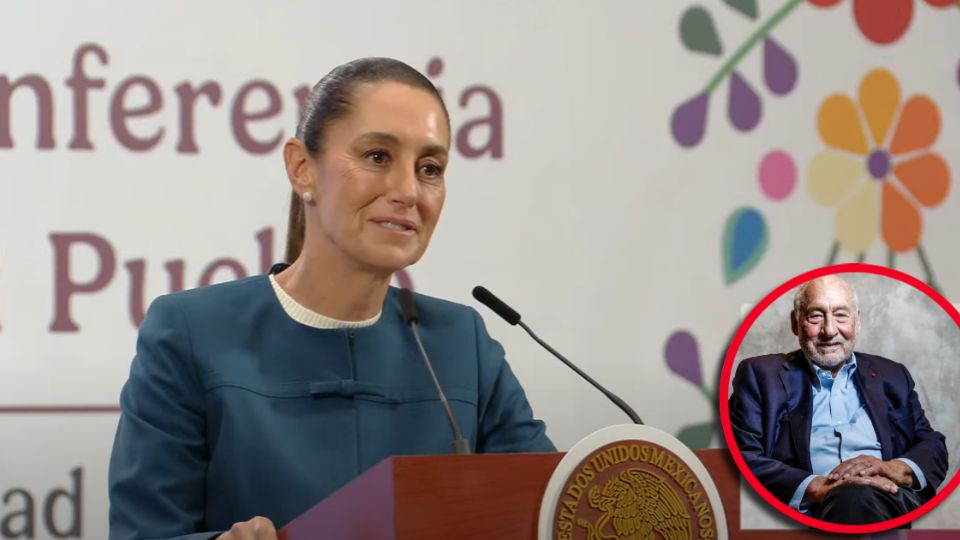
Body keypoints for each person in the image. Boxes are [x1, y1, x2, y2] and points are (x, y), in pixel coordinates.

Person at [108, 57, 554, 540]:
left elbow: (553, 512)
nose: (408, 191)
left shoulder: (462, 344)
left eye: (430, 168)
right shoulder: (190, 333)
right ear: (302, 168)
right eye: (378, 156)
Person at [729, 275, 948, 525]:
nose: (830, 330)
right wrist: (817, 487)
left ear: (857, 321)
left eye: (841, 315)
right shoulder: (760, 375)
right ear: (796, 323)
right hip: (809, 511)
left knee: (859, 498)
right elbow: (741, 454)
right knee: (853, 498)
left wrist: (894, 468)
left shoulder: (893, 374)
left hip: (890, 499)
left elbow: (931, 443)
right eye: (816, 316)